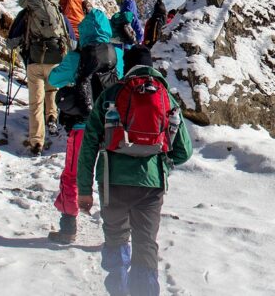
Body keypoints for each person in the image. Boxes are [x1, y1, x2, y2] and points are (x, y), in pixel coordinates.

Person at [78, 47, 192, 296]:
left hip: (113, 182)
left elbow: (88, 146)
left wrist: (84, 190)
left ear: (125, 67)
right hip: (151, 185)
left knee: (117, 239)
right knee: (146, 244)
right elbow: (184, 151)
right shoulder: (166, 98)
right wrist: (161, 161)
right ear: (151, 66)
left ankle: (118, 289)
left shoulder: (111, 95)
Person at [46, 9, 124, 244]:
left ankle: (68, 226)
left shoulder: (76, 56)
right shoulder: (117, 55)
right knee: (111, 177)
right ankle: (116, 233)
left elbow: (53, 79)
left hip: (82, 126)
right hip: (111, 126)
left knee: (72, 174)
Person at [6, 0, 74, 155]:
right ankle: (52, 116)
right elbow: (71, 39)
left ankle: (36, 141)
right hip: (56, 59)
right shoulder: (57, 11)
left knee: (36, 101)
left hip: (35, 61)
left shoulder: (27, 12)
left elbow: (12, 40)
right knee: (52, 90)